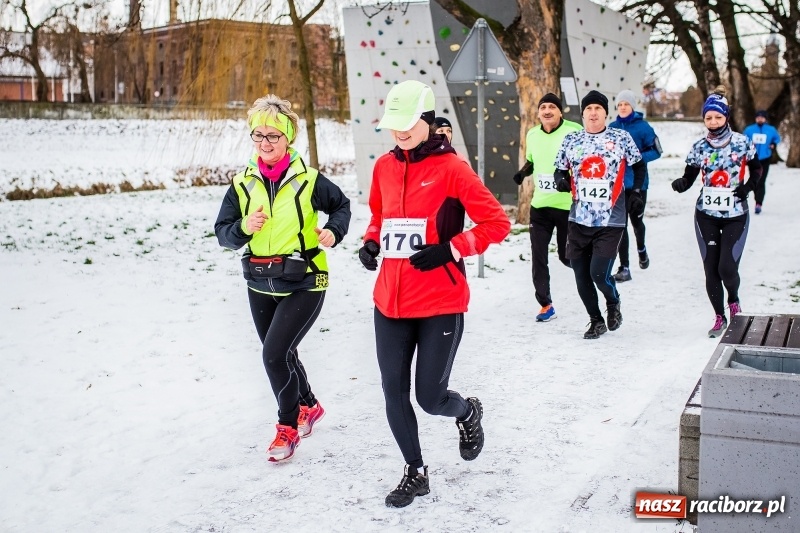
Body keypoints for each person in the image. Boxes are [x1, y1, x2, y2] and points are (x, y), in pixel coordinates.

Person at [359, 80, 510, 507]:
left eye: (408, 124)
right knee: (393, 390)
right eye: (394, 125)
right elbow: (379, 217)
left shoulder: (453, 170)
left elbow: (496, 223)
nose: (400, 132)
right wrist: (371, 243)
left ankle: (467, 412)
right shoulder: (384, 167)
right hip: (389, 300)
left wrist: (450, 248)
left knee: (430, 398)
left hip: (440, 302)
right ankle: (416, 472)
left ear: (427, 121)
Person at [214, 94, 351, 462]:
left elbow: (341, 206)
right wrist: (244, 226)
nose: (265, 143)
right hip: (260, 280)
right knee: (283, 352)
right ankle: (309, 405)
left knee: (274, 356)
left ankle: (287, 427)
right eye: (258, 136)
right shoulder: (242, 183)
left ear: (288, 137)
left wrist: (333, 232)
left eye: (273, 136)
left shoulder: (308, 180)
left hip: (306, 277)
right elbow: (223, 233)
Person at [553, 90, 646, 339]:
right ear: (582, 113)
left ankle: (613, 301)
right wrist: (561, 179)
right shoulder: (571, 140)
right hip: (578, 219)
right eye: (588, 109)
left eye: (598, 109)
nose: (593, 113)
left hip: (610, 220)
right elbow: (559, 169)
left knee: (598, 273)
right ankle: (596, 320)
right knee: (580, 275)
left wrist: (635, 191)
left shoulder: (621, 137)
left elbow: (639, 164)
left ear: (606, 112)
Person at [671, 91, 761, 337]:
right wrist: (681, 183)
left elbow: (757, 170)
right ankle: (719, 316)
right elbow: (690, 176)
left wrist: (747, 189)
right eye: (708, 118)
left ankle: (733, 300)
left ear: (726, 117)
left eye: (717, 117)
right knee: (710, 269)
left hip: (735, 214)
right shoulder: (699, 146)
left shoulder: (742, 142)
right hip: (706, 213)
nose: (712, 122)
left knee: (727, 268)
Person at [512, 92, 582, 322]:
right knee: (538, 255)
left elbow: (584, 163)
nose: (547, 111)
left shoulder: (573, 131)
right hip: (540, 206)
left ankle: (592, 274)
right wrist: (523, 173)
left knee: (565, 256)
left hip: (566, 206)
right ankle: (545, 304)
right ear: (539, 112)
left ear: (560, 111)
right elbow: (533, 161)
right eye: (543, 107)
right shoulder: (532, 134)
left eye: (552, 106)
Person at [608, 90, 662, 282]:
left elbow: (657, 151)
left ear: (632, 106)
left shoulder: (643, 127)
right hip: (618, 185)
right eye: (620, 104)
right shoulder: (612, 128)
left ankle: (642, 249)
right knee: (620, 226)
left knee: (636, 223)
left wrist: (636, 158)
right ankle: (624, 267)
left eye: (626, 104)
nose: (623, 107)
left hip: (638, 184)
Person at [742, 110, 780, 214]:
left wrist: (773, 144)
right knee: (755, 180)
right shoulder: (749, 129)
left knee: (761, 180)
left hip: (765, 158)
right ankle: (756, 198)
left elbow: (777, 139)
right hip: (753, 158)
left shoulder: (771, 129)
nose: (760, 119)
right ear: (755, 118)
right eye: (758, 117)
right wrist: (749, 145)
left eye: (762, 117)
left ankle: (759, 203)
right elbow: (743, 140)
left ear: (765, 119)